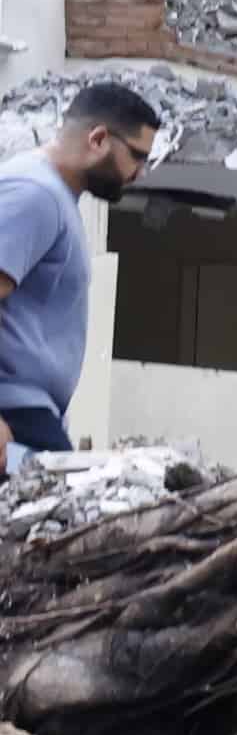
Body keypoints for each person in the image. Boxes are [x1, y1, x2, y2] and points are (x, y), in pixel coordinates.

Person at [0, 83, 159, 471]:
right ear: (99, 138)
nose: (139, 173)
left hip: (27, 414)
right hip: (15, 415)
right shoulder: (35, 194)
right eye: (137, 156)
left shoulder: (50, 193)